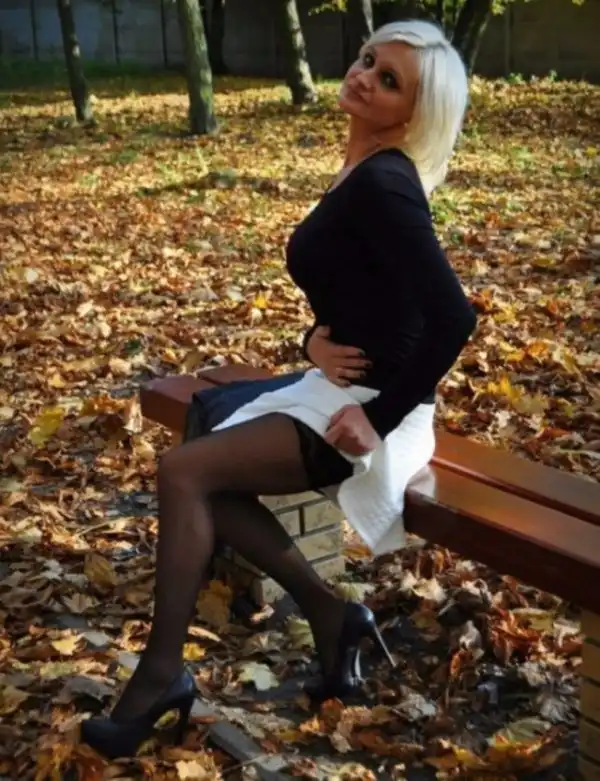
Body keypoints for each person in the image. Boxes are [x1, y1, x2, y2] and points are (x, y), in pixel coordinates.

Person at [82, 19, 477, 759]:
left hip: (370, 411)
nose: (364, 76)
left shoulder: (386, 183)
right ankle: (330, 612)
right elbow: (361, 297)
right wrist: (310, 342)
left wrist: (380, 419)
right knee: (205, 467)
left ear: (412, 114)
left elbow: (454, 315)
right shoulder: (364, 169)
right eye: (368, 60)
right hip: (340, 385)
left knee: (184, 471)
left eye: (389, 80)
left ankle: (161, 676)